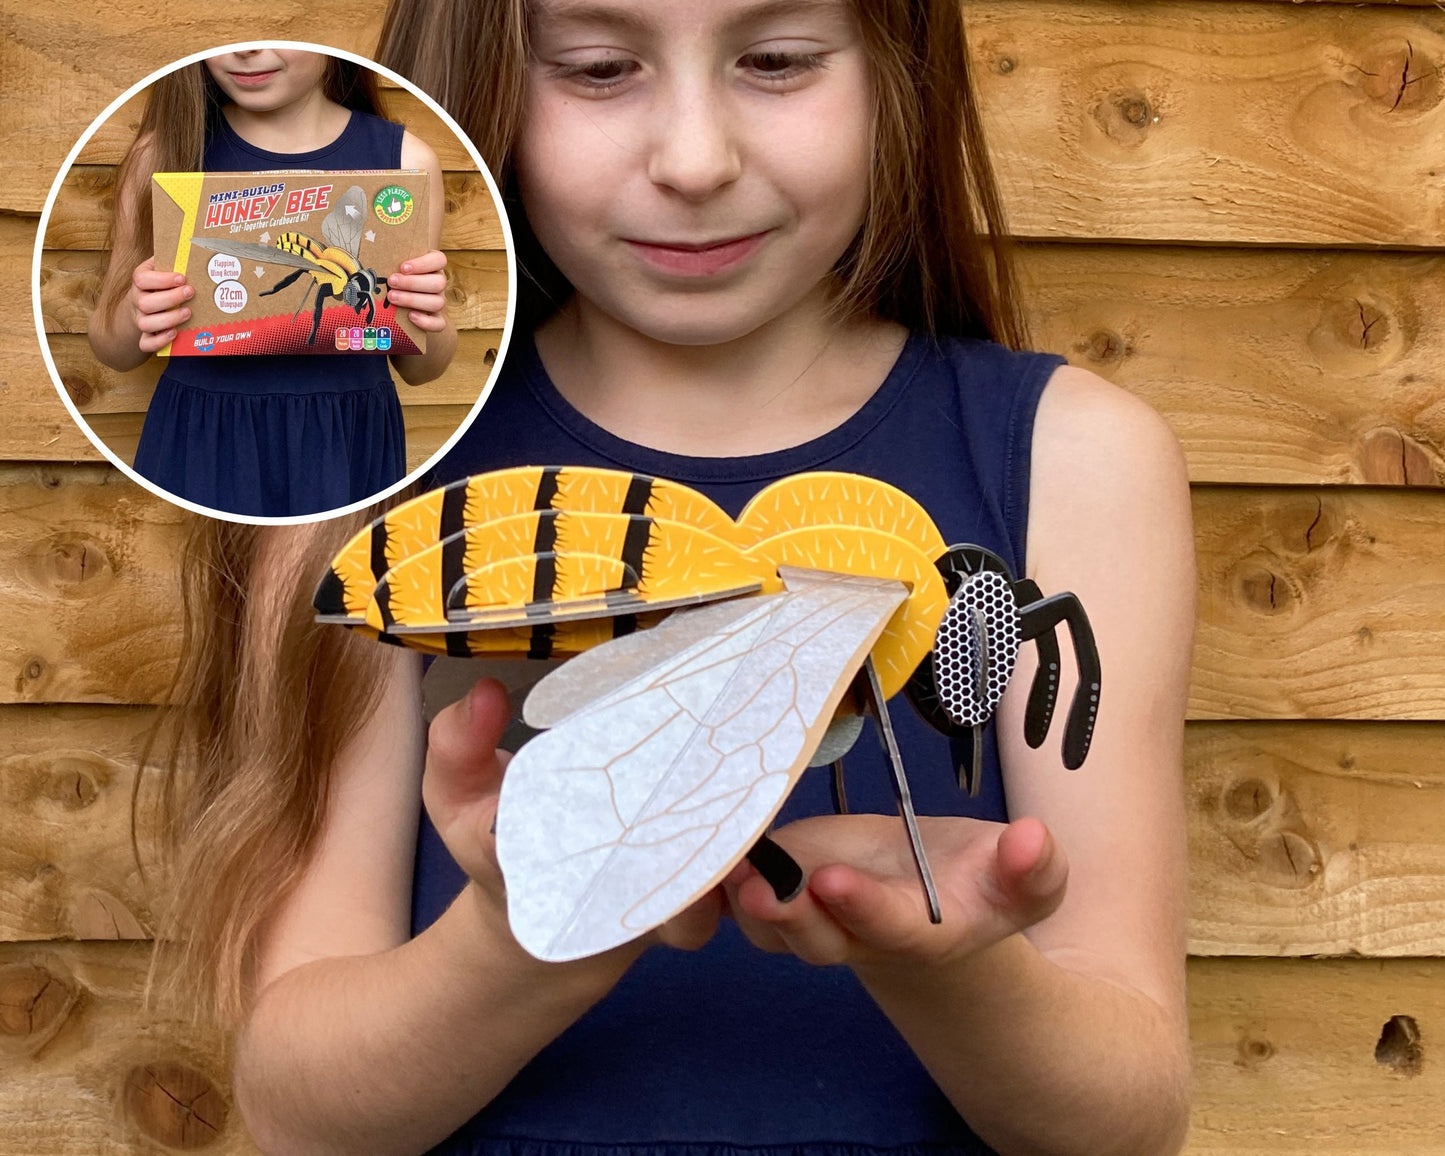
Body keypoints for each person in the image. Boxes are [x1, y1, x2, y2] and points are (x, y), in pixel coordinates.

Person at [140, 4, 1195, 1154]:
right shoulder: (359, 475)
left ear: (902, 79)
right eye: (597, 70)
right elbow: (301, 1115)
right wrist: (529, 931)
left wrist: (950, 967)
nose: (694, 160)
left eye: (778, 61)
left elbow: (1125, 1118)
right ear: (477, 86)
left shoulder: (1076, 461)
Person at [88, 48, 457, 518]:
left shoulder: (407, 163)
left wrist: (427, 314)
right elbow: (112, 349)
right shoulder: (163, 153)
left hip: (343, 444)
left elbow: (423, 369)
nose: (245, 48)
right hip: (203, 438)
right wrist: (138, 310)